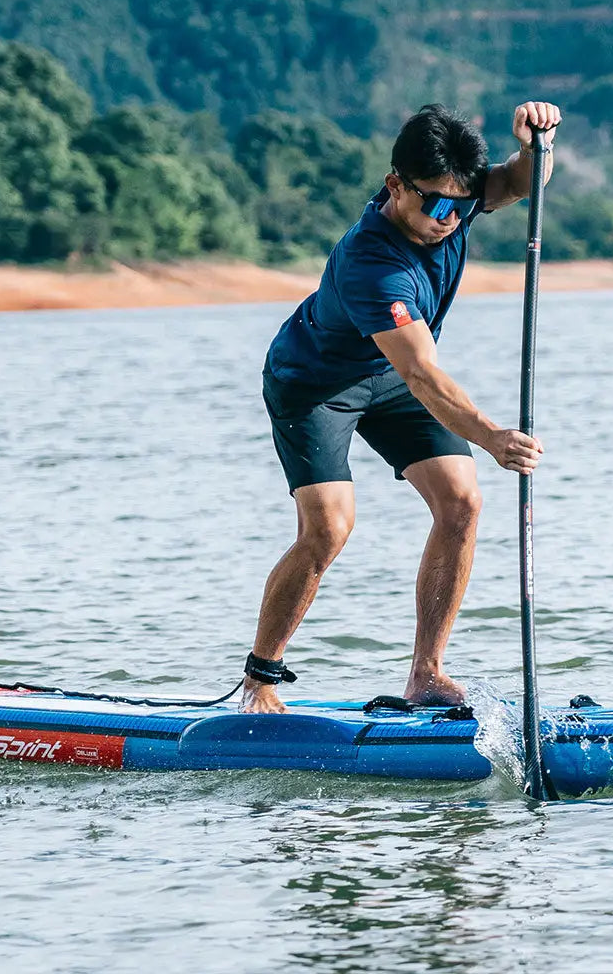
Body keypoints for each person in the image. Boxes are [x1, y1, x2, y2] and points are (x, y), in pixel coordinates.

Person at [241, 100, 562, 714]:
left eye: (459, 205)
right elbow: (423, 373)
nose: (448, 219)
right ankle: (260, 680)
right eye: (435, 205)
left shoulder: (453, 199)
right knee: (329, 527)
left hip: (390, 376)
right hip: (315, 384)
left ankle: (426, 674)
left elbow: (522, 181)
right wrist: (494, 437)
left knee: (462, 502)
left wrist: (532, 144)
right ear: (396, 185)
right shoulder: (373, 264)